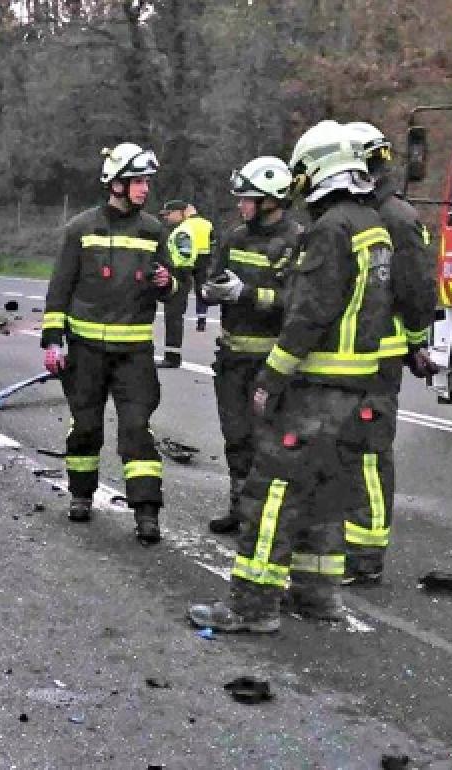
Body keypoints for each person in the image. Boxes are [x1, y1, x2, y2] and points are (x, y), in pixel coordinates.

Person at [187, 120, 396, 632]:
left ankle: (251, 607)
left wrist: (271, 378)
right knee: (324, 494)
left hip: (316, 388)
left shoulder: (329, 230)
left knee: (271, 493)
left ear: (320, 169)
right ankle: (318, 597)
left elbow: (310, 313)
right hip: (358, 387)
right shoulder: (372, 225)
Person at [41, 143, 176, 544]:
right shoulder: (80, 229)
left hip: (133, 354)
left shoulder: (154, 230)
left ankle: (147, 513)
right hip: (84, 352)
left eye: (147, 182)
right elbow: (59, 288)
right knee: (85, 427)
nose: (144, 189)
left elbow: (173, 286)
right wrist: (53, 340)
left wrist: (168, 283)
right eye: (137, 181)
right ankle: (81, 495)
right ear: (115, 184)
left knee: (137, 430)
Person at [339, 122, 439, 585]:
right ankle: (350, 541)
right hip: (358, 352)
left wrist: (417, 341)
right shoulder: (367, 212)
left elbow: (418, 290)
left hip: (380, 356)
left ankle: (366, 555)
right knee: (348, 450)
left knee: (369, 454)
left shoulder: (395, 217)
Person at [199, 156, 305, 535]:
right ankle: (240, 508)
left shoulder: (296, 242)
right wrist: (210, 291)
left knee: (269, 443)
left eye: (247, 198)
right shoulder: (234, 237)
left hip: (269, 361)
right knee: (236, 437)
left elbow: (295, 302)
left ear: (271, 199)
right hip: (231, 358)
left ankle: (265, 517)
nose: (240, 205)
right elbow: (215, 280)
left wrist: (245, 293)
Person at [157, 201, 215, 367]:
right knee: (174, 315)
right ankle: (172, 355)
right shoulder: (197, 226)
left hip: (179, 274)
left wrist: (175, 270)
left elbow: (185, 255)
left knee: (173, 316)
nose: (166, 218)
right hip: (193, 269)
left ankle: (172, 357)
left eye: (169, 214)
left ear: (180, 212)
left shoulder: (183, 230)